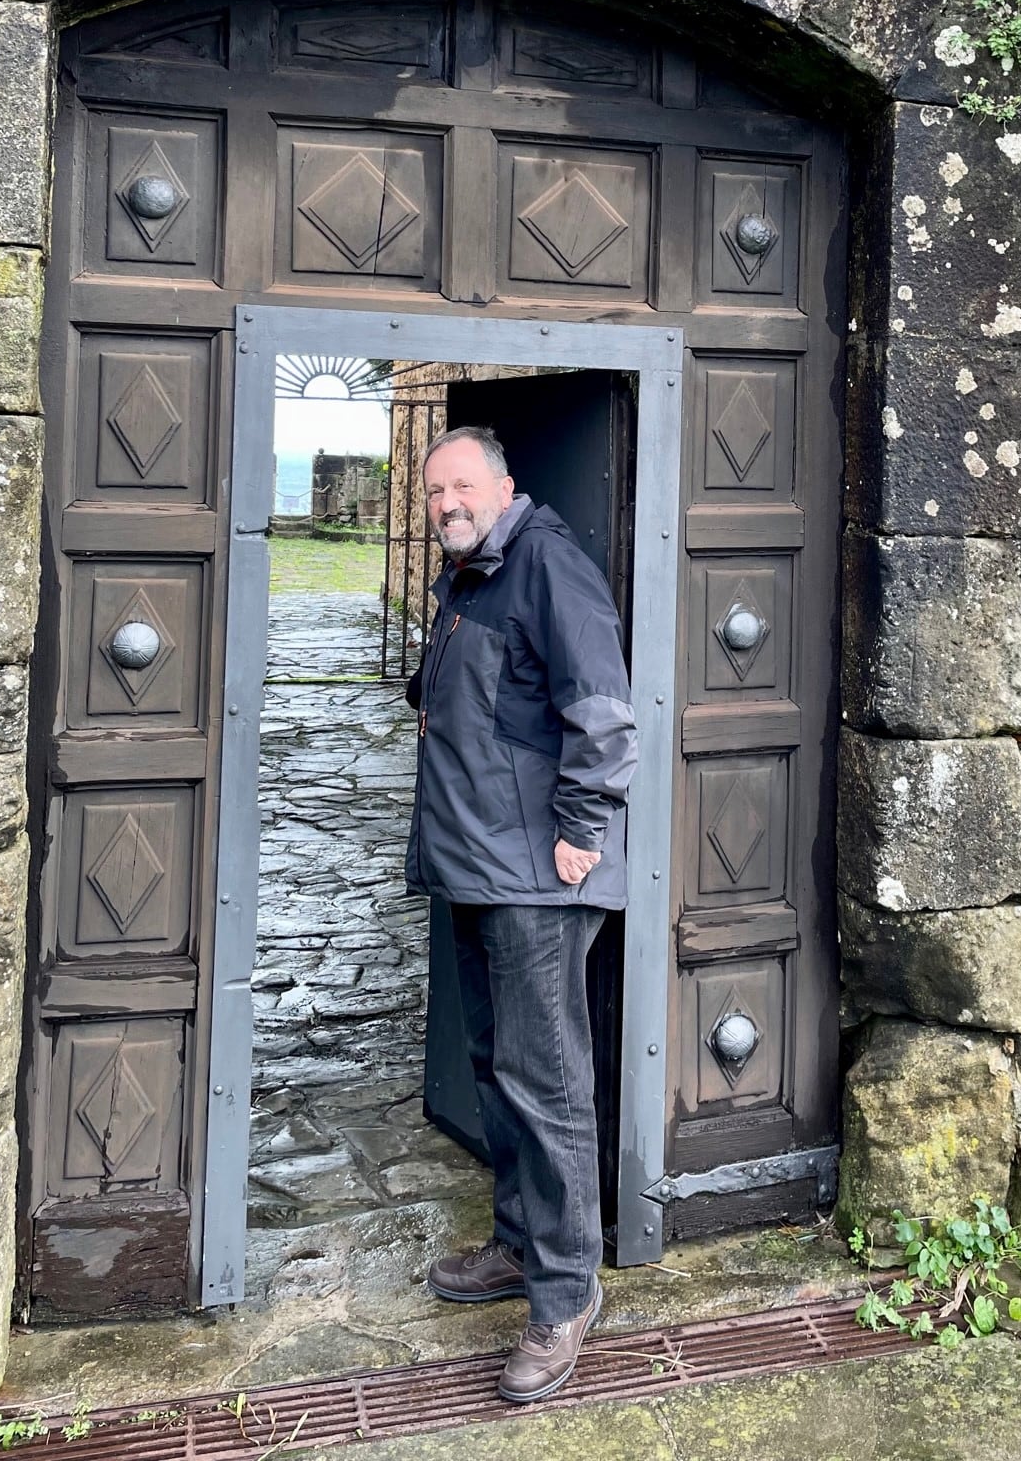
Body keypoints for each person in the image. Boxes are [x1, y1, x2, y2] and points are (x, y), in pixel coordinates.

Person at [403, 423, 637, 1404]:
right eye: (432, 493)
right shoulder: (473, 574)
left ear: (501, 485)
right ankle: (517, 1242)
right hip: (478, 864)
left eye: (460, 486)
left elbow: (603, 707)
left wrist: (582, 828)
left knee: (547, 1084)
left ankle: (566, 1293)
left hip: (539, 875)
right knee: (499, 1068)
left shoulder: (548, 564)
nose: (446, 504)